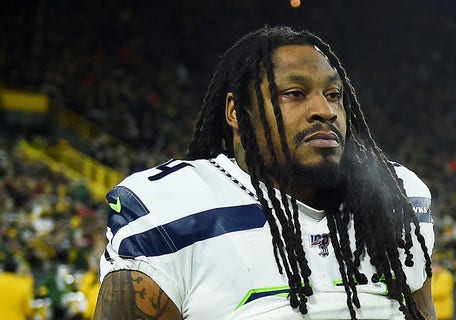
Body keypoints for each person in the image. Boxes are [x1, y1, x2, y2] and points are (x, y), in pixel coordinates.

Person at [94, 26, 436, 320]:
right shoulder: (174, 206)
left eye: (334, 94)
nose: (325, 110)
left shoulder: (396, 197)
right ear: (236, 113)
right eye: (294, 94)